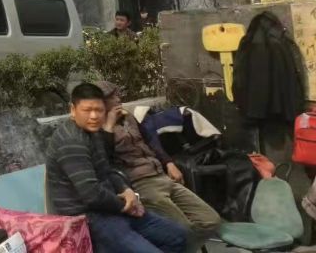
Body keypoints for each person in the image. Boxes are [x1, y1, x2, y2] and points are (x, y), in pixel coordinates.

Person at [46, 83, 187, 253]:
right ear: (73, 110)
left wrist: (125, 189)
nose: (94, 116)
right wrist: (125, 205)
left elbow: (107, 169)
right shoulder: (71, 141)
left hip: (110, 208)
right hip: (88, 219)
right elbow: (91, 195)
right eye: (87, 110)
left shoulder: (94, 132)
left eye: (99, 110)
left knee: (177, 236)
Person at [97, 81, 221, 253]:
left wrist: (169, 163)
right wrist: (109, 126)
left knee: (211, 220)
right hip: (141, 183)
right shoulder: (97, 129)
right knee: (183, 230)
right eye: (112, 97)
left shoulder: (128, 117)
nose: (118, 99)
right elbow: (104, 160)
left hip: (160, 175)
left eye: (117, 94)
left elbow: (151, 141)